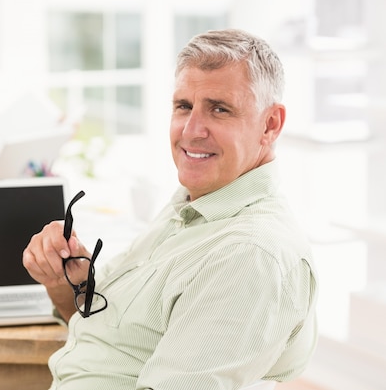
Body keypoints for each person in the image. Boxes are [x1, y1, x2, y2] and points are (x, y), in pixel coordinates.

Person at [22, 29, 318, 389]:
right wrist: (66, 278)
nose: (191, 130)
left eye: (219, 109)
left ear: (270, 125)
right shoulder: (192, 204)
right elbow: (106, 336)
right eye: (184, 107)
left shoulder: (248, 254)